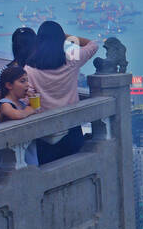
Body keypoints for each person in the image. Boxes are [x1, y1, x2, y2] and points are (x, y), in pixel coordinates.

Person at [24, 21, 98, 164]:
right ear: (60, 39)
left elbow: (30, 98)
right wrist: (67, 37)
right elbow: (93, 45)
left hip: (45, 130)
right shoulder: (72, 58)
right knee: (76, 169)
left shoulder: (29, 67)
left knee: (48, 173)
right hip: (72, 125)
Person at [0, 64, 42, 165]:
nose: (28, 85)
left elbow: (35, 112)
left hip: (27, 154)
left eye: (27, 80)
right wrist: (31, 108)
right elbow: (18, 115)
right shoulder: (5, 104)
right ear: (9, 85)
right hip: (11, 160)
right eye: (22, 81)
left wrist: (32, 101)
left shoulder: (22, 103)